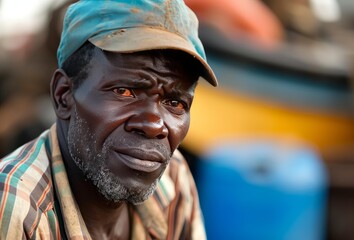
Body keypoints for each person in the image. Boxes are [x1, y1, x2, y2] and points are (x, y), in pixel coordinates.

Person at [0, 0, 217, 239]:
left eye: (175, 103)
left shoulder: (173, 178)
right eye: (124, 91)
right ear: (64, 96)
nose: (154, 125)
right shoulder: (15, 209)